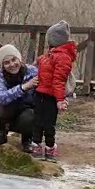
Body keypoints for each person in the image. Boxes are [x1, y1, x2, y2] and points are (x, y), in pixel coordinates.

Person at [31, 20, 77, 162]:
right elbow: (42, 60)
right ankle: (37, 143)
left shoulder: (63, 57)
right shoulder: (51, 55)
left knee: (49, 123)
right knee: (38, 120)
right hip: (40, 93)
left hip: (51, 96)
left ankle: (49, 146)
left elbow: (59, 80)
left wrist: (60, 99)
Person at [0, 44, 39, 153]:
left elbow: (48, 86)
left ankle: (27, 139)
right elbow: (1, 97)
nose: (12, 64)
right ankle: (2, 132)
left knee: (30, 114)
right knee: (2, 105)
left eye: (14, 60)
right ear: (2, 65)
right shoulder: (0, 76)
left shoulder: (32, 71)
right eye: (6, 62)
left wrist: (62, 98)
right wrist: (24, 87)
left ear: (19, 59)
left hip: (27, 111)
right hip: (7, 113)